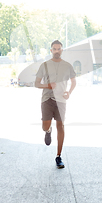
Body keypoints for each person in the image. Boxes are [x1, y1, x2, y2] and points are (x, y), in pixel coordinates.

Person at [35, 40, 76, 169]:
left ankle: (58, 156)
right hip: (47, 99)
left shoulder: (68, 66)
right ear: (51, 50)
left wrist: (69, 92)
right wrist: (48, 85)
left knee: (61, 126)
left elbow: (73, 82)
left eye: (59, 49)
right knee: (44, 125)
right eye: (54, 49)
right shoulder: (44, 65)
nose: (57, 51)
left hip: (61, 101)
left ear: (62, 50)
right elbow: (36, 83)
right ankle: (48, 131)